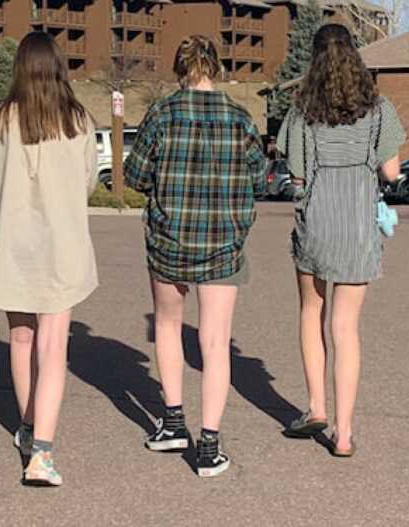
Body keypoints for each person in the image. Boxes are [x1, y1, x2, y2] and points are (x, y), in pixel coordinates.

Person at [124, 35, 266, 478]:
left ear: (180, 70)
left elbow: (135, 175)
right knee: (214, 341)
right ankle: (209, 443)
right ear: (216, 69)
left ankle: (172, 423)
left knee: (167, 324)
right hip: (223, 243)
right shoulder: (240, 118)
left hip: (170, 238)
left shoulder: (162, 114)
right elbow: (259, 177)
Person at [0, 31, 98, 487]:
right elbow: (87, 182)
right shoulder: (78, 120)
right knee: (53, 347)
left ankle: (28, 429)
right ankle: (42, 452)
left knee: (21, 341)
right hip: (62, 245)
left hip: (13, 242)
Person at [276, 24, 406, 457]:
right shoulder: (380, 109)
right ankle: (345, 432)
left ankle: (316, 407)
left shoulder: (302, 111)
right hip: (357, 222)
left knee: (312, 312)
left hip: (317, 218)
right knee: (346, 327)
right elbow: (390, 171)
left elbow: (296, 175)